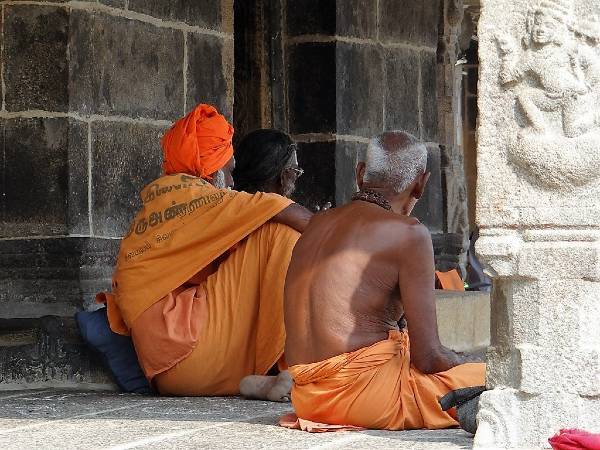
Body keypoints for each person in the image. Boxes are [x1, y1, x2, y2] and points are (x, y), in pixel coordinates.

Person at [97, 104, 312, 398]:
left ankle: (257, 380)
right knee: (282, 234)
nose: (233, 181)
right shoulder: (207, 200)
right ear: (212, 168)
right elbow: (299, 218)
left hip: (165, 375)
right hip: (191, 350)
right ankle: (299, 367)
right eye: (229, 169)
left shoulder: (161, 204)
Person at [281, 131, 486, 431]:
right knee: (496, 378)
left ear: (360, 173)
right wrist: (460, 362)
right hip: (367, 400)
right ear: (421, 183)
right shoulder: (409, 233)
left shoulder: (316, 224)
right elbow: (428, 358)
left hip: (309, 398)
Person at [233, 129, 304, 197]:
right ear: (283, 175)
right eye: (296, 170)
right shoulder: (280, 207)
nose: (296, 176)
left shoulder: (227, 197)